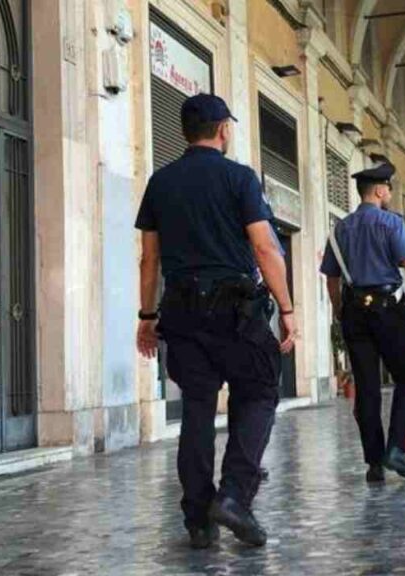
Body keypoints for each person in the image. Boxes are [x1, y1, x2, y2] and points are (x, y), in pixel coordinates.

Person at [135, 94, 295, 550]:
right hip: (234, 310)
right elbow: (265, 249)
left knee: (197, 411)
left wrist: (147, 317)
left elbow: (150, 260)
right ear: (223, 129)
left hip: (181, 312)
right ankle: (234, 496)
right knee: (262, 388)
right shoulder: (239, 178)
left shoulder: (160, 182)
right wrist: (287, 309)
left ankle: (199, 521)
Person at [321, 161, 405, 484]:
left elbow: (331, 281)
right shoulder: (391, 224)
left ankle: (374, 463)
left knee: (367, 387)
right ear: (378, 190)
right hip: (387, 312)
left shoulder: (339, 229)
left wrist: (338, 310)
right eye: (388, 188)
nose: (389, 193)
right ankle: (397, 449)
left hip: (353, 313)